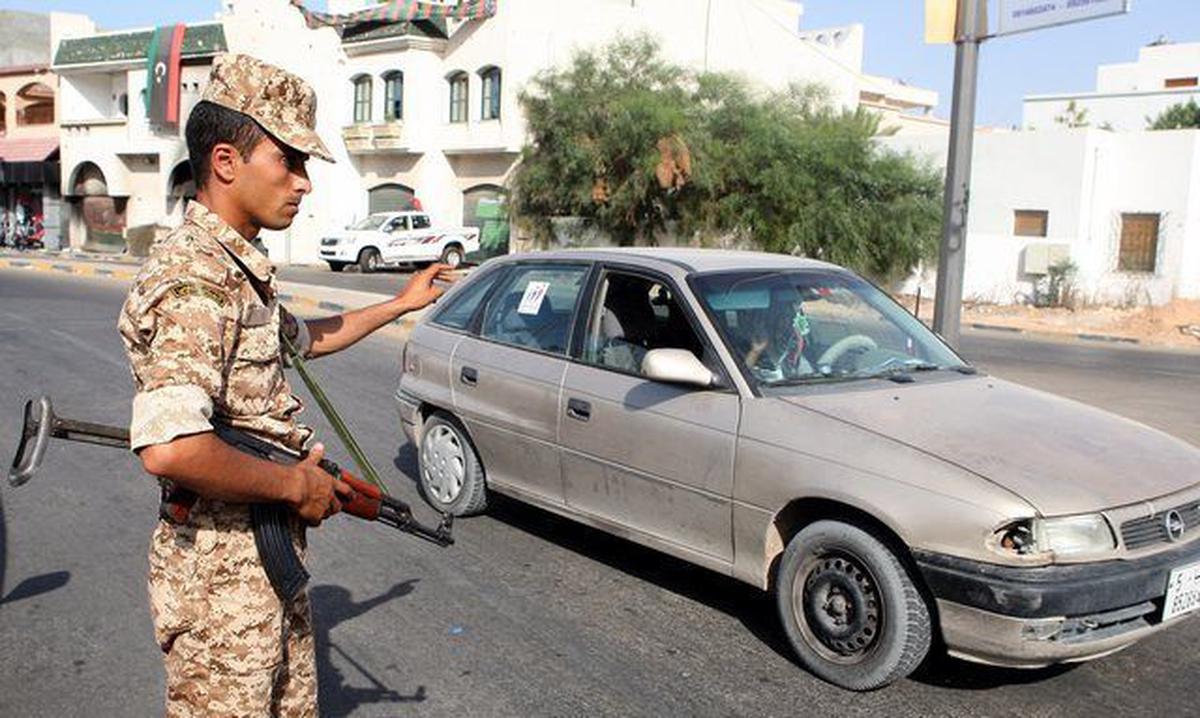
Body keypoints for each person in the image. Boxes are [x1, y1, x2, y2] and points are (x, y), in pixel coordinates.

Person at [117, 53, 454, 717]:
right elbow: (172, 448)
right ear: (225, 162)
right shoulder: (197, 281)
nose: (303, 183)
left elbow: (306, 340)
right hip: (218, 583)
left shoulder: (236, 274)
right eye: (290, 161)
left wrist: (398, 304)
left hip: (259, 565)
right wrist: (298, 484)